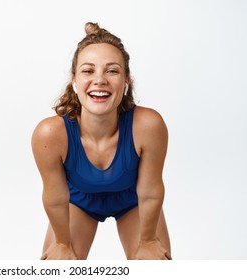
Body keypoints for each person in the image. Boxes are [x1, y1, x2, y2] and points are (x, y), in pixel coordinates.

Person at [31, 22, 171, 260]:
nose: (100, 80)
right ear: (74, 79)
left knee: (153, 267)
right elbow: (55, 198)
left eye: (112, 71)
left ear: (126, 80)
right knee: (57, 269)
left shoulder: (149, 125)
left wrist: (148, 241)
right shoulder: (50, 134)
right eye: (88, 70)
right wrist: (62, 244)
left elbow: (149, 191)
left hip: (133, 200)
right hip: (78, 201)